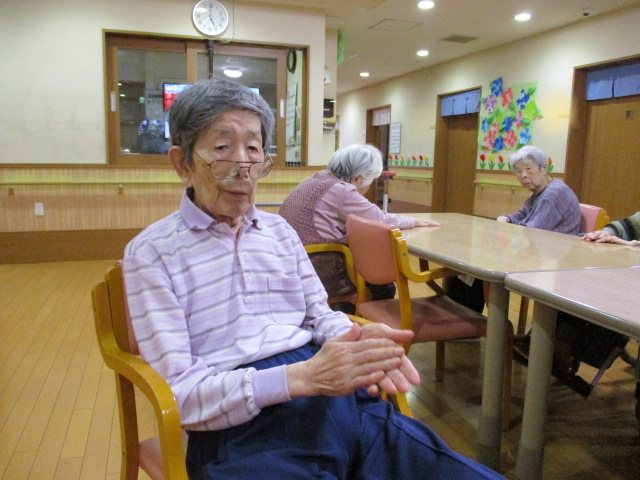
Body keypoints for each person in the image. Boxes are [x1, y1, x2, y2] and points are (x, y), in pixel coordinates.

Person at [122, 78, 503, 479]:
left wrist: (355, 338)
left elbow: (320, 315)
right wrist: (301, 377)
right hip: (240, 429)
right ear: (182, 164)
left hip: (336, 398)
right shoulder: (152, 252)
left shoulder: (279, 232)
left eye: (253, 148)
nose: (243, 167)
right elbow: (180, 395)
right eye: (221, 148)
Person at [279, 144, 440, 313]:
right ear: (357, 178)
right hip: (319, 269)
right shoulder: (341, 190)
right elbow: (380, 219)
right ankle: (360, 323)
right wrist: (414, 221)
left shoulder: (315, 180)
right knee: (383, 286)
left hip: (293, 265)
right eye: (371, 181)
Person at [497, 145, 580, 235]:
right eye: (519, 171)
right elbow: (523, 214)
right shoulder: (540, 191)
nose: (523, 175)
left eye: (528, 169)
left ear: (544, 168)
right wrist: (507, 218)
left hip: (556, 243)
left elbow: (532, 232)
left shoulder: (552, 194)